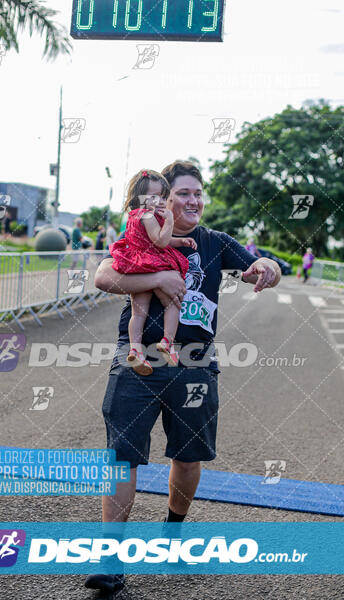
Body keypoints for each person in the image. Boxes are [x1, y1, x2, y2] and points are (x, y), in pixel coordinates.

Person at [84, 160, 281, 593]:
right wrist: (159, 277)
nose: (193, 201)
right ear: (163, 200)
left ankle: (172, 533)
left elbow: (256, 265)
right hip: (137, 360)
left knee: (188, 457)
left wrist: (267, 265)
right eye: (183, 194)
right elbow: (102, 274)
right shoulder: (141, 231)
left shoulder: (215, 242)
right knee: (121, 458)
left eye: (198, 193)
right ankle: (110, 559)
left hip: (194, 363)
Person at [109, 169, 196, 374]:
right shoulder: (149, 217)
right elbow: (160, 241)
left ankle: (135, 351)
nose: (160, 201)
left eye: (163, 197)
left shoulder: (133, 216)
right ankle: (167, 342)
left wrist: (180, 241)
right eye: (154, 196)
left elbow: (154, 239)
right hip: (154, 263)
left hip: (136, 267)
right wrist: (170, 222)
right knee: (172, 303)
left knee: (138, 313)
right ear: (139, 197)